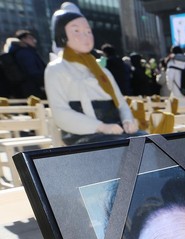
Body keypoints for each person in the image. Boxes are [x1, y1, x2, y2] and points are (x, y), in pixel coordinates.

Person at [45, 8, 145, 145]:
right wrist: (100, 127)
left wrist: (128, 120)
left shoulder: (101, 70)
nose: (85, 36)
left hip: (116, 129)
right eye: (76, 31)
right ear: (62, 35)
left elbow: (121, 103)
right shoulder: (56, 69)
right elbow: (60, 112)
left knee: (149, 142)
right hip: (82, 134)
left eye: (88, 31)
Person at [10, 30, 47, 98]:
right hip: (35, 89)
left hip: (25, 89)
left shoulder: (17, 52)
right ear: (23, 39)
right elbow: (33, 71)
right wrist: (42, 84)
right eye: (30, 38)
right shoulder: (26, 53)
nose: (34, 40)